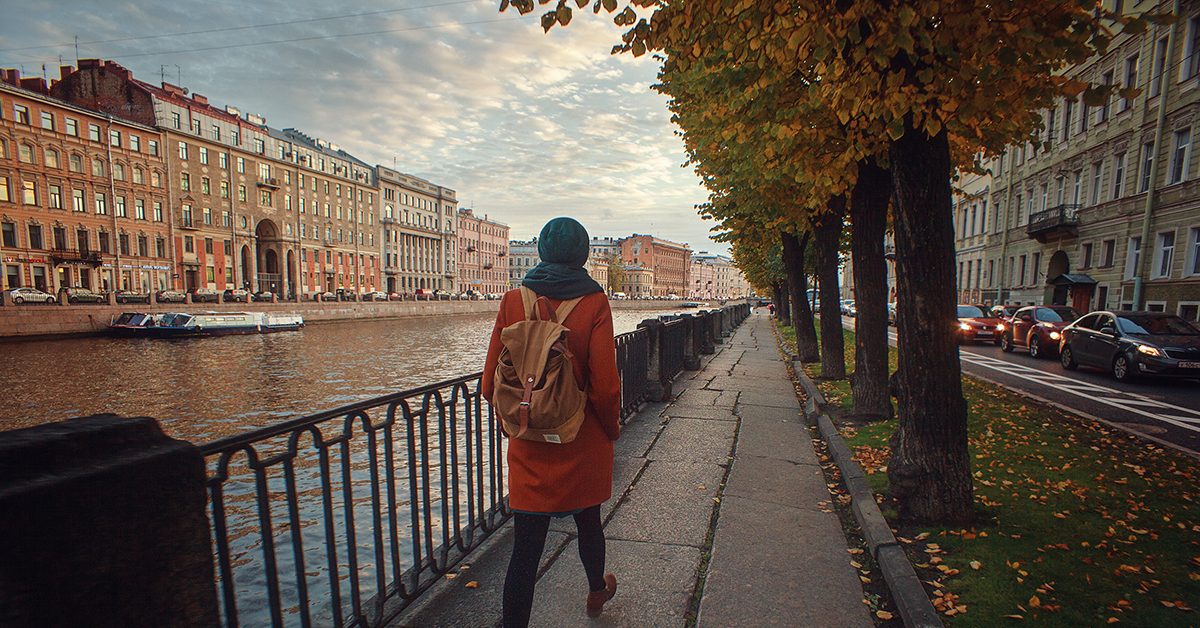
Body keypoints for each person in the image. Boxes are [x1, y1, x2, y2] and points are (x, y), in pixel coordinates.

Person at [482, 217, 622, 627]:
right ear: (582, 255)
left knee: (525, 550)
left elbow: (490, 381)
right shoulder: (594, 302)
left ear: (542, 250)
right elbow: (606, 385)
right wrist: (610, 430)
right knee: (589, 524)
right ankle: (596, 591)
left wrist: (517, 422)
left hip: (529, 438)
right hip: (582, 439)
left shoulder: (513, 299)